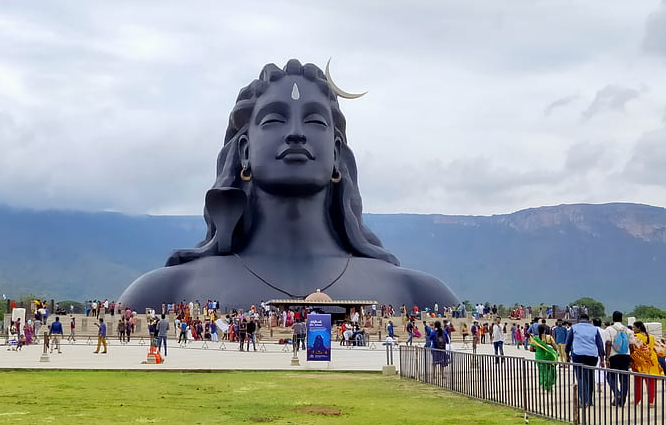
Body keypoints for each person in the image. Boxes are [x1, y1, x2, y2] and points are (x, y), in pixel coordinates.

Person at [118, 60, 458, 311]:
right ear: (245, 151)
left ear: (337, 153)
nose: (296, 133)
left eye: (314, 120)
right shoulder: (162, 292)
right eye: (274, 120)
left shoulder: (419, 294)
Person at [565, 314, 604, 407]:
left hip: (578, 355)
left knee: (581, 377)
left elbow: (568, 342)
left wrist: (567, 354)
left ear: (579, 320)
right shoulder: (594, 329)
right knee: (590, 377)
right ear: (588, 320)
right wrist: (602, 358)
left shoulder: (574, 328)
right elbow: (599, 344)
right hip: (592, 356)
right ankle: (590, 400)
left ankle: (583, 400)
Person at [631, 321, 662, 406]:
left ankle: (637, 399)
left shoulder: (636, 336)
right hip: (652, 360)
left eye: (634, 327)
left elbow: (633, 348)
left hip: (641, 361)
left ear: (639, 328)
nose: (633, 329)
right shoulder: (651, 337)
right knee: (650, 381)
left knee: (638, 380)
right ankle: (651, 401)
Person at [605, 311, 631, 407]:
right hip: (626, 356)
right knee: (624, 378)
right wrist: (630, 359)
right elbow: (631, 345)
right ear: (621, 318)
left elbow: (608, 343)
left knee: (611, 377)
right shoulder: (627, 330)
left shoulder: (609, 329)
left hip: (614, 355)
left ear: (613, 318)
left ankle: (617, 393)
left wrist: (607, 358)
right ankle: (622, 400)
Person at [530, 324, 558, 391]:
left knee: (542, 372)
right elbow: (555, 348)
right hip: (549, 357)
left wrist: (538, 350)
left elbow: (531, 349)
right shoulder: (549, 337)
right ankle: (548, 387)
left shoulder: (535, 338)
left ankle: (542, 384)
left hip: (539, 357)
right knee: (550, 372)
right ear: (545, 330)